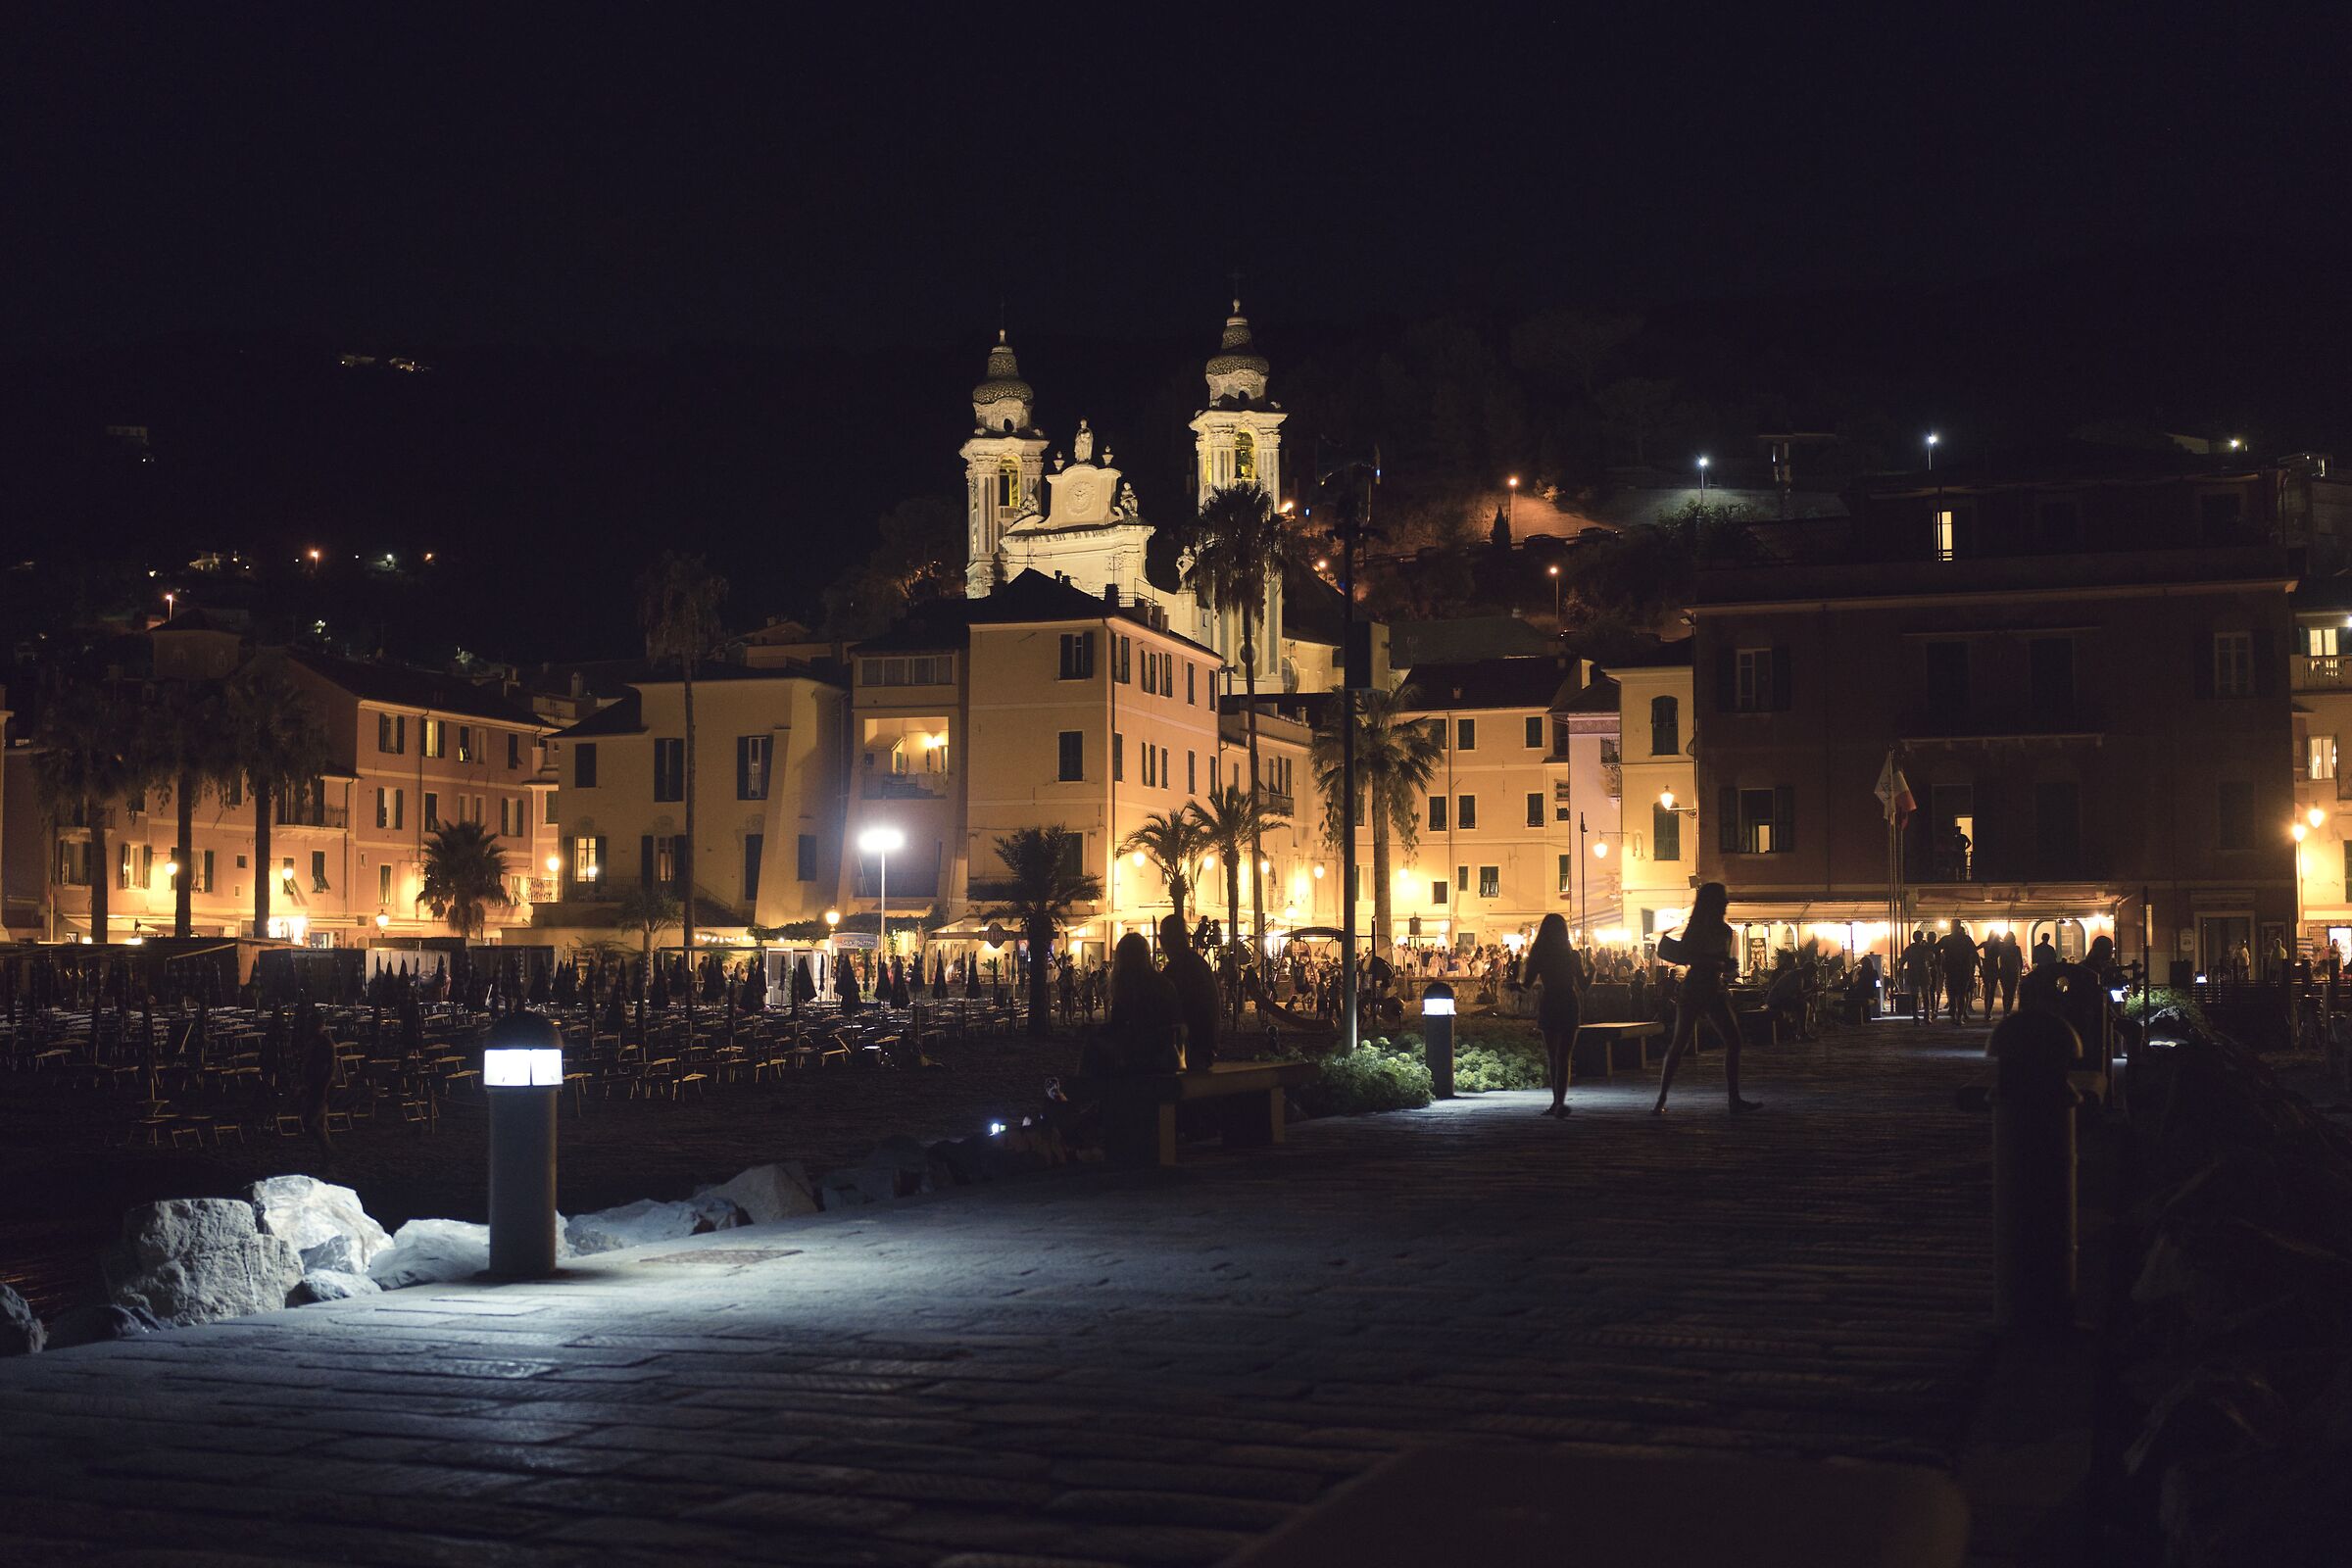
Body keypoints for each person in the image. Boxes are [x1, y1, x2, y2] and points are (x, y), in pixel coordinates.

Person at [1652, 882, 1760, 1115]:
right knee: (1682, 1043)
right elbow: (1693, 957)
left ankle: (1732, 1098)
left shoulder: (1722, 931)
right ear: (1713, 902)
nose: (1726, 902)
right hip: (1697, 987)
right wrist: (1721, 963)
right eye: (1722, 898)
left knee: (1730, 1041)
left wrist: (1725, 965)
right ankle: (1662, 1099)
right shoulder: (1703, 930)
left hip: (1709, 988)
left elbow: (1713, 960)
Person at [1522, 913, 1589, 1118]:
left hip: (1550, 1001)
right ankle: (1560, 1102)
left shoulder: (1539, 954)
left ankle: (1555, 1102)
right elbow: (1584, 986)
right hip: (1568, 1002)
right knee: (1564, 1058)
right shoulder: (1572, 955)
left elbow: (1526, 985)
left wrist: (1517, 986)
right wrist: (1593, 970)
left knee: (1553, 1057)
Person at [1098, 932, 1179, 1076]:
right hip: (1165, 1054)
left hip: (1143, 1056)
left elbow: (1121, 1026)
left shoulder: (1127, 989)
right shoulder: (1162, 983)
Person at [1159, 913, 1220, 1072]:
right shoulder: (1199, 964)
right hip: (1204, 1047)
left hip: (1190, 1051)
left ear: (1162, 940)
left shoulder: (1176, 970)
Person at [1938, 922, 1981, 1025]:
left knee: (1952, 994)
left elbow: (1935, 948)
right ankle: (1959, 1016)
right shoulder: (1966, 939)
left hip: (1952, 970)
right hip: (1963, 969)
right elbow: (1974, 953)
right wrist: (1980, 968)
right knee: (1961, 994)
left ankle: (1955, 1015)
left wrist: (1941, 964)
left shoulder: (1947, 939)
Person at [1901, 931, 1935, 1023]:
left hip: (1913, 973)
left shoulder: (1909, 948)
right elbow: (1932, 958)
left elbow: (1903, 960)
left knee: (1914, 996)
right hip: (1923, 972)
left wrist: (1900, 970)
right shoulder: (1924, 948)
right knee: (1925, 995)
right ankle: (1926, 1015)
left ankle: (1915, 1017)